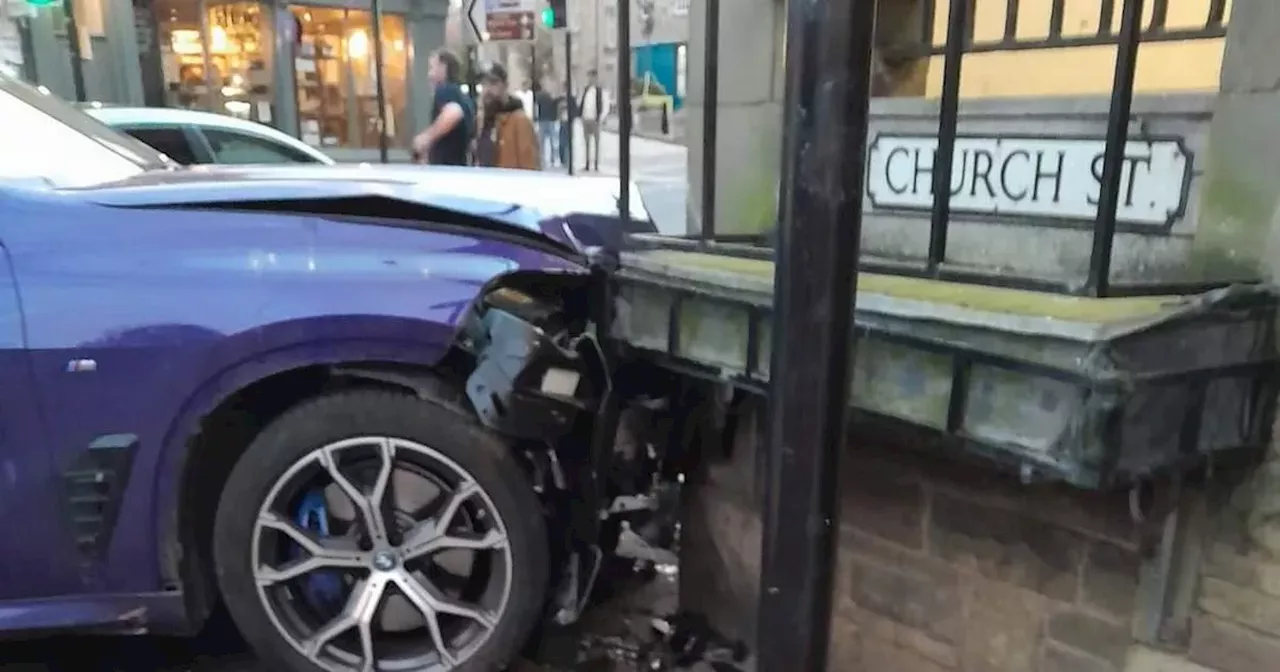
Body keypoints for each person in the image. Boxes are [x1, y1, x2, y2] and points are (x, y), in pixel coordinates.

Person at [411, 49, 474, 165]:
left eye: (432, 68)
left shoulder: (446, 90)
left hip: (446, 172)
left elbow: (454, 112)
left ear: (443, 67)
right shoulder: (462, 96)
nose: (429, 75)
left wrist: (426, 138)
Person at [474, 63, 539, 170]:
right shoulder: (482, 121)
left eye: (493, 83)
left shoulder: (519, 121)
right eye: (484, 84)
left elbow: (530, 167)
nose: (487, 90)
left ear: (505, 86)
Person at [578, 69, 610, 172]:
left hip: (595, 120)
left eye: (593, 77)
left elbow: (605, 106)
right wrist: (581, 116)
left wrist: (601, 118)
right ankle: (587, 164)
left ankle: (596, 164)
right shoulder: (585, 90)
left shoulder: (600, 91)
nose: (591, 79)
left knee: (596, 143)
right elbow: (581, 103)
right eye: (589, 77)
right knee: (587, 143)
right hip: (586, 119)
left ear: (596, 78)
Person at [534, 81, 559, 168]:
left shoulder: (537, 96)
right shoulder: (548, 94)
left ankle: (542, 159)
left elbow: (536, 108)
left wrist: (535, 118)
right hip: (551, 119)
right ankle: (553, 159)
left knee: (542, 141)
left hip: (542, 119)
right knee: (553, 140)